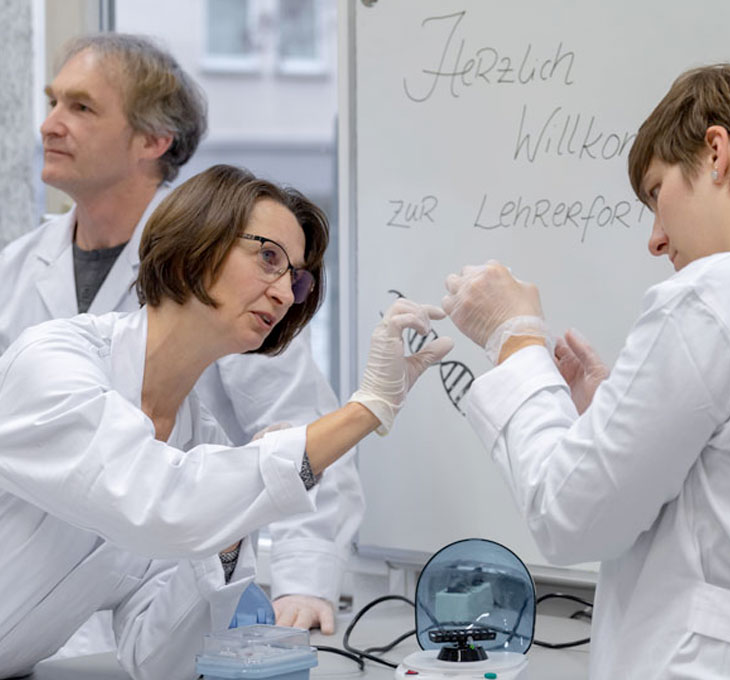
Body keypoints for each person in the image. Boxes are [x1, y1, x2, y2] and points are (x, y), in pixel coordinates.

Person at [442, 50, 730, 679]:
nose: (655, 237)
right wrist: (618, 412)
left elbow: (570, 518)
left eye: (658, 194)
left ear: (717, 153)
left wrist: (514, 339)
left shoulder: (715, 295)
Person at [0, 163, 452, 679]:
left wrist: (237, 523)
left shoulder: (199, 439)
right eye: (267, 258)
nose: (286, 293)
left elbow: (161, 660)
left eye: (297, 278)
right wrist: (368, 408)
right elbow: (166, 504)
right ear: (198, 244)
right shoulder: (53, 363)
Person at [0, 32, 360, 638]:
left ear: (153, 140)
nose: (49, 125)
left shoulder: (227, 272)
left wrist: (303, 585)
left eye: (80, 107)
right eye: (52, 102)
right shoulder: (16, 268)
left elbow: (300, 436)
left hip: (127, 591)